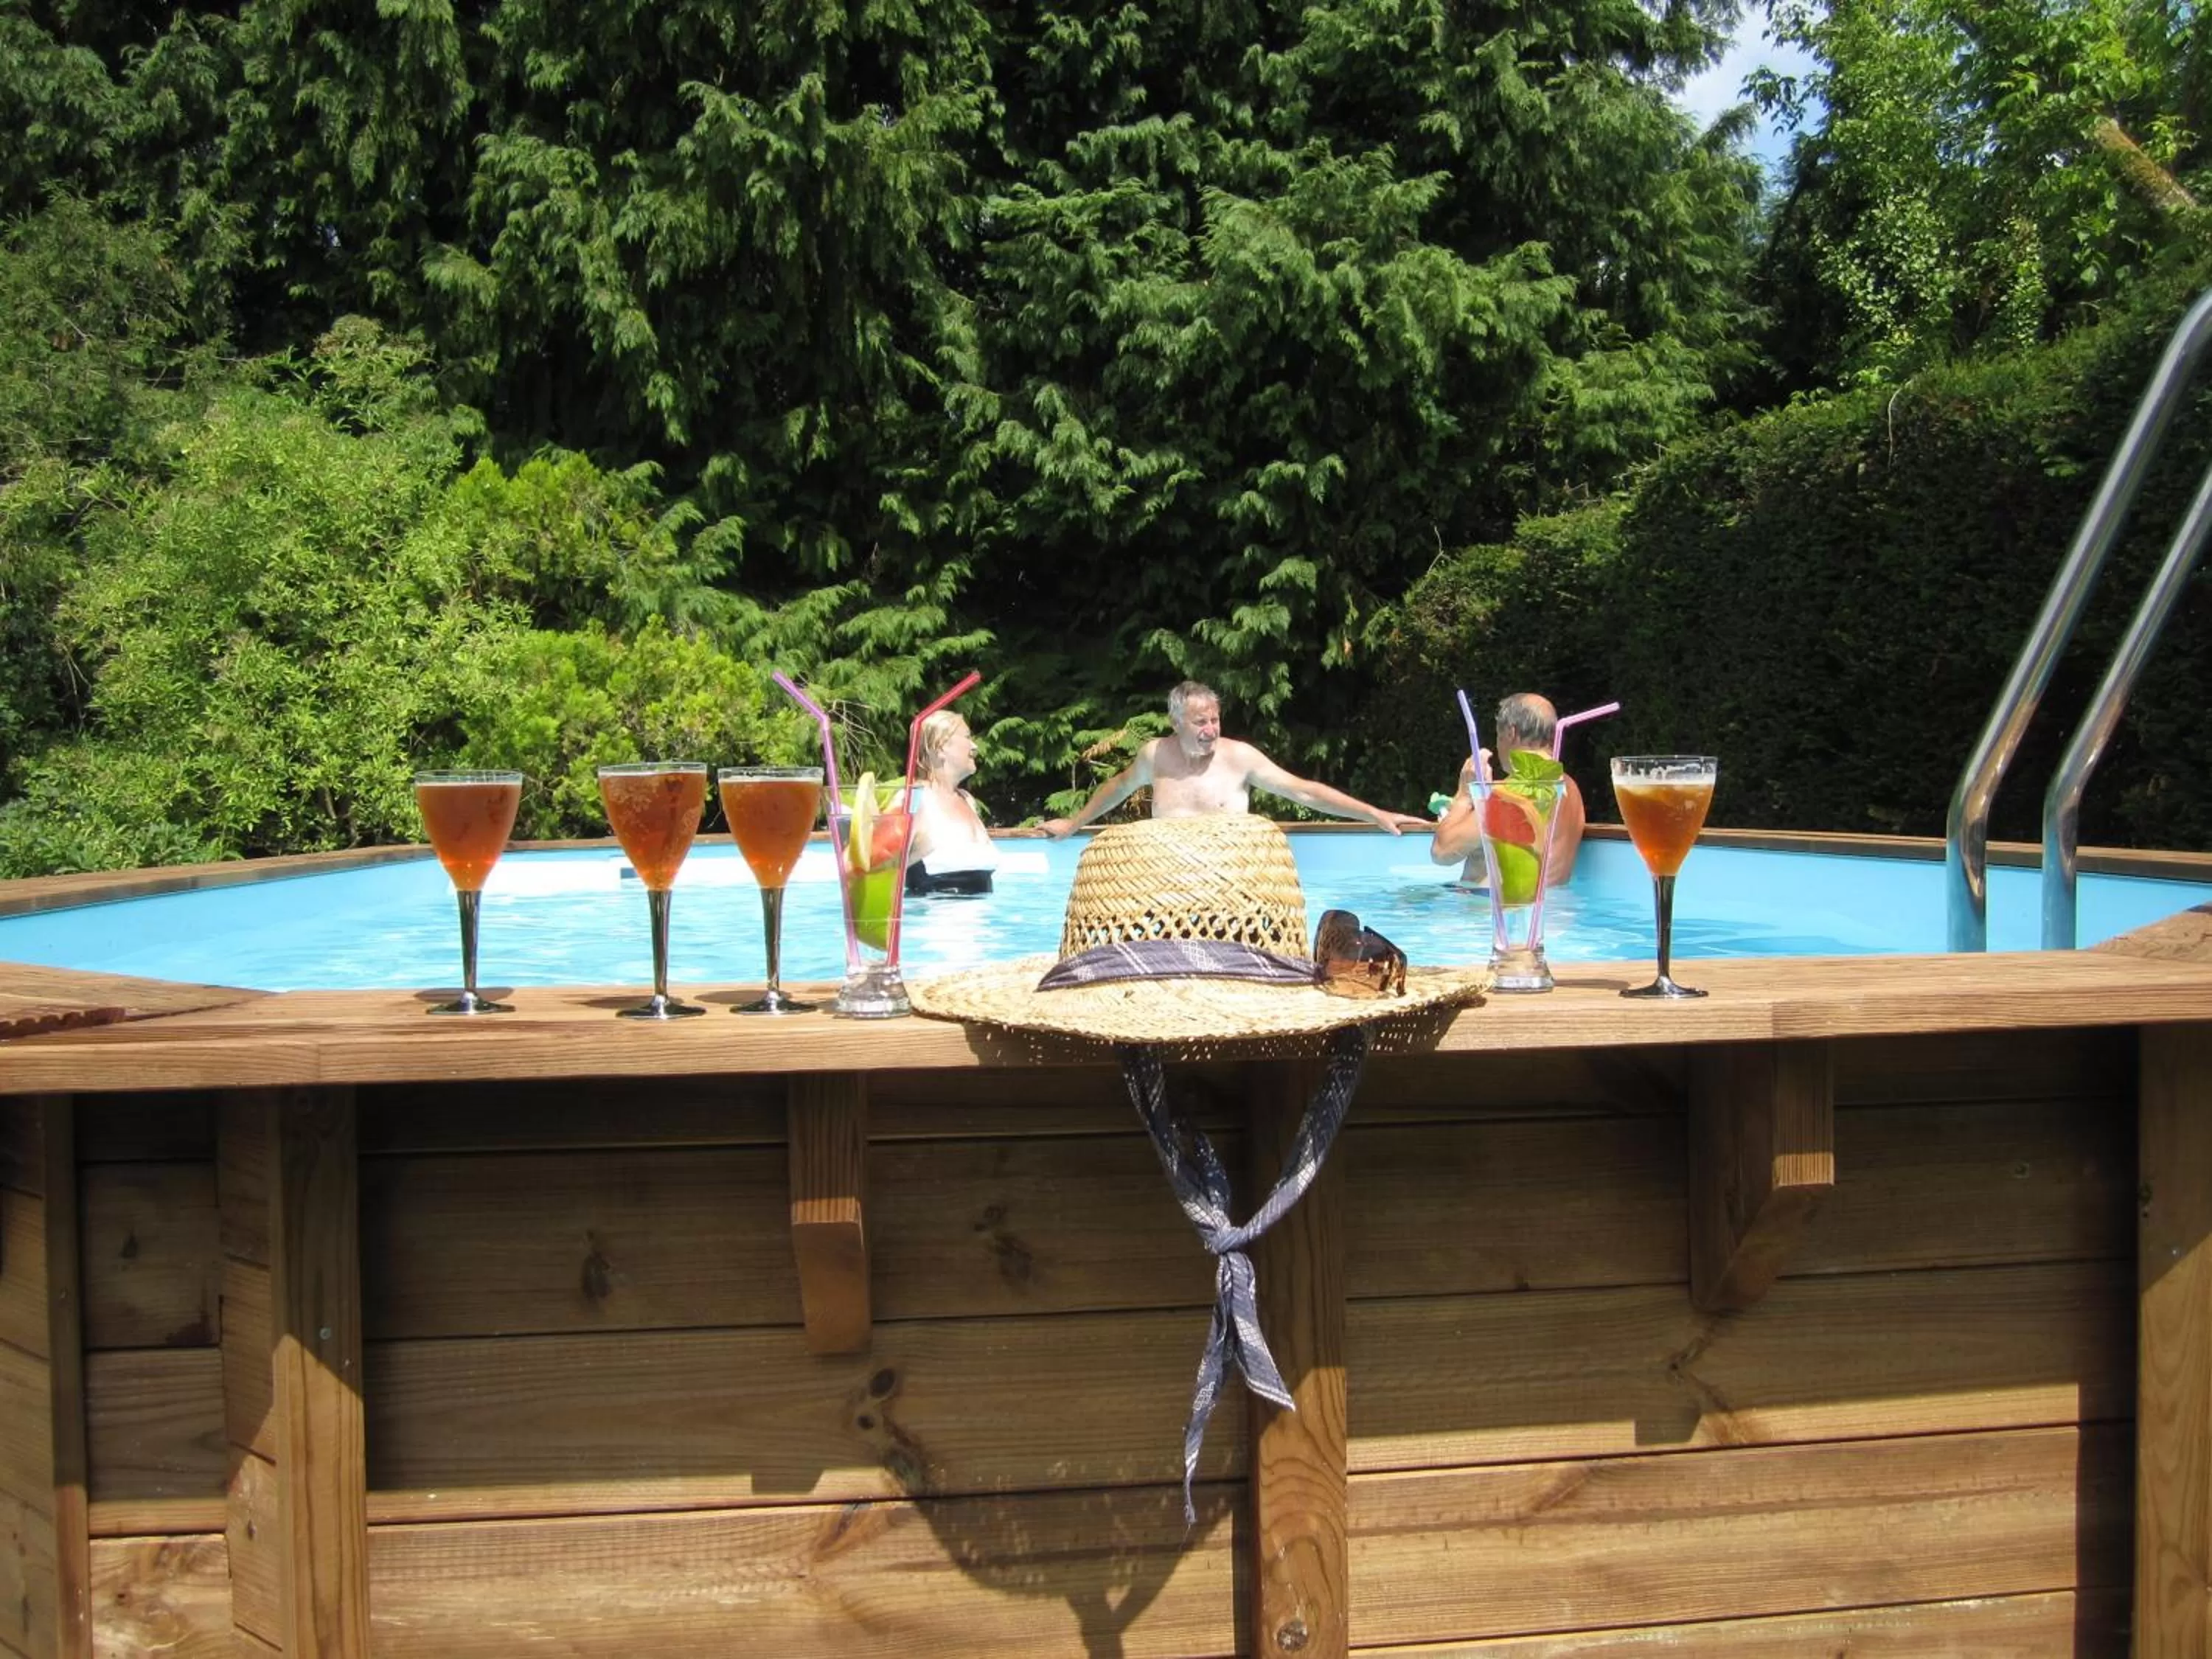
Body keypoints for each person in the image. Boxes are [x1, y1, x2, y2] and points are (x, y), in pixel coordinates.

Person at [1040, 681, 1430, 837]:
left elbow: (1304, 792)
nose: (1211, 729)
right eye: (1200, 722)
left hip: (1231, 885)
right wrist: (1074, 824)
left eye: (1215, 720)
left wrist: (1374, 814)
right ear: (1176, 723)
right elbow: (1117, 788)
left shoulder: (1239, 758)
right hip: (1170, 883)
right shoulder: (1154, 755)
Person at [1428, 692, 1587, 886]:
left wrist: (1464, 796)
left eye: (1498, 735)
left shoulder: (1517, 790)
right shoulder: (1571, 788)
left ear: (1511, 732)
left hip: (1497, 903)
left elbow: (1442, 851)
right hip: (1554, 902)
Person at [906, 709, 998, 896]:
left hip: (981, 912)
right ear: (940, 747)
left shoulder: (967, 800)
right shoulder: (914, 800)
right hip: (933, 911)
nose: (975, 746)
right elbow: (878, 869)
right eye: (967, 737)